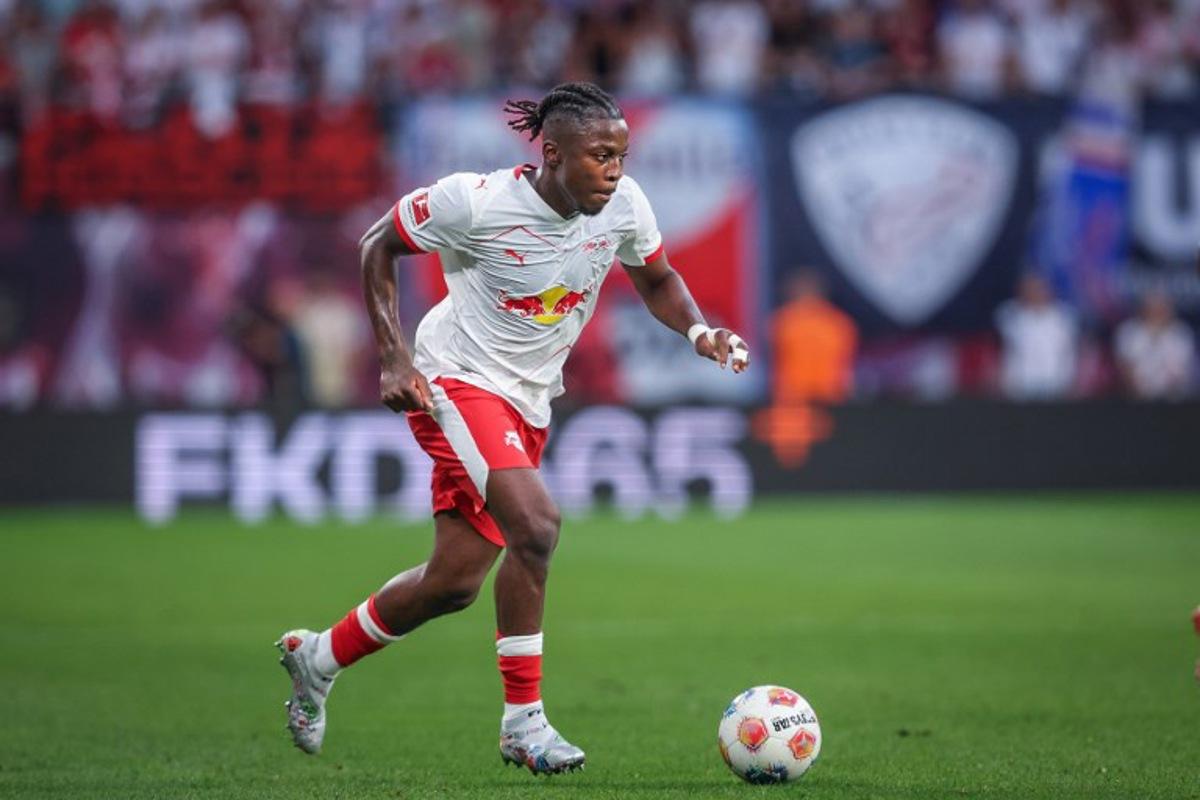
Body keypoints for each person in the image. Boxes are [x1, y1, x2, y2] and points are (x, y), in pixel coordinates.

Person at [275, 82, 750, 775]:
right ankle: (524, 724)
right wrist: (393, 357)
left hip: (528, 402)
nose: (614, 170)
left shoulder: (623, 204)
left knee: (453, 583)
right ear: (553, 154)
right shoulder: (476, 201)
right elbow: (377, 245)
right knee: (538, 526)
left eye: (621, 154)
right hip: (454, 379)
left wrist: (700, 330)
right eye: (599, 156)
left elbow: (657, 278)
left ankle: (317, 658)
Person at [1114, 288, 1196, 399]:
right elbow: (1125, 368)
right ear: (1144, 309)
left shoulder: (1181, 334)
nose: (1157, 313)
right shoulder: (1129, 332)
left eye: (1161, 308)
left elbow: (1180, 372)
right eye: (1153, 308)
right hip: (1136, 397)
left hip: (1172, 399)